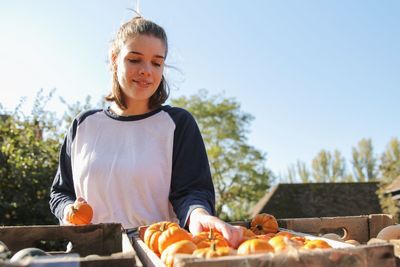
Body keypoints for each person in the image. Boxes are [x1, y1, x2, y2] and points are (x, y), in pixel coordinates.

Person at [49, 16, 242, 248]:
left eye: (156, 63)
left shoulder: (178, 124)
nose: (146, 71)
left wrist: (199, 215)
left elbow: (191, 191)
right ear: (114, 59)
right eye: (134, 59)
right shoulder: (83, 125)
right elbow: (60, 193)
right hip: (87, 255)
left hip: (156, 253)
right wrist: (69, 210)